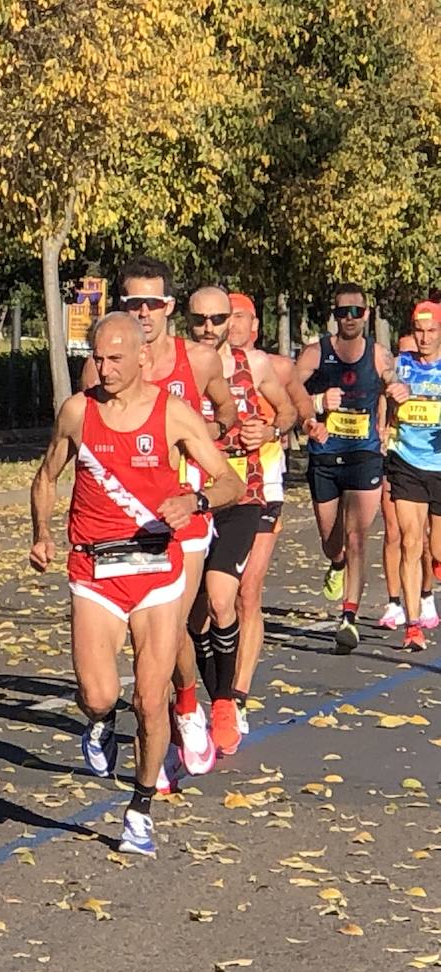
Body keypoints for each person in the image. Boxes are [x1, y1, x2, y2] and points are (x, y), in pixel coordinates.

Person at [33, 312, 243, 857]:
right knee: (99, 693)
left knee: (151, 700)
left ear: (141, 357)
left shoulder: (173, 414)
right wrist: (40, 534)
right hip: (96, 569)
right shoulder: (79, 412)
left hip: (155, 570)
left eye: (115, 359)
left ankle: (140, 809)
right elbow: (47, 474)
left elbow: (230, 481)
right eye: (97, 358)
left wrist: (194, 501)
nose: (103, 368)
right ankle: (100, 722)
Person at [80, 256, 238, 783]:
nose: (142, 312)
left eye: (152, 303)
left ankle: (185, 706)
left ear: (169, 306)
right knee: (146, 647)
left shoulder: (199, 359)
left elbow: (227, 416)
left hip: (184, 520)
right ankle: (154, 718)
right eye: (132, 303)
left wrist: (213, 446)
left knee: (174, 632)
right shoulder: (101, 366)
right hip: (119, 532)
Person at [184, 288, 296, 758]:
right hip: (188, 497)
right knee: (193, 613)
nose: (210, 328)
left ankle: (228, 702)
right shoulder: (175, 367)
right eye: (200, 319)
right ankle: (201, 701)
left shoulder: (256, 366)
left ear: (232, 321)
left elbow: (288, 408)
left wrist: (270, 429)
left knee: (228, 595)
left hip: (244, 493)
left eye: (218, 319)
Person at [296, 284, 409, 652]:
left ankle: (349, 617)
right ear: (334, 314)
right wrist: (314, 404)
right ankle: (337, 562)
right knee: (333, 541)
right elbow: (284, 392)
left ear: (367, 315)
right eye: (343, 312)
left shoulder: (378, 356)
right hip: (325, 456)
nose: (349, 318)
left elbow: (394, 383)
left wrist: (399, 391)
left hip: (365, 455)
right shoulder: (317, 353)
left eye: (356, 312)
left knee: (358, 535)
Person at [226, 293, 313, 734]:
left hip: (265, 486)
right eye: (224, 317)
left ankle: (237, 697)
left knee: (248, 591)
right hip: (211, 490)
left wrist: (277, 427)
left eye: (238, 317)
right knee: (207, 603)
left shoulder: (273, 367)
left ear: (254, 324)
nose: (230, 324)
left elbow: (298, 408)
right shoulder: (202, 364)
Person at [386, 301, 441, 649]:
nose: (423, 337)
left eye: (431, 331)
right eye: (418, 331)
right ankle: (413, 625)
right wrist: (393, 395)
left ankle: (436, 563)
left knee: (436, 547)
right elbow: (387, 389)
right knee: (410, 541)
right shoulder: (400, 366)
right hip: (406, 460)